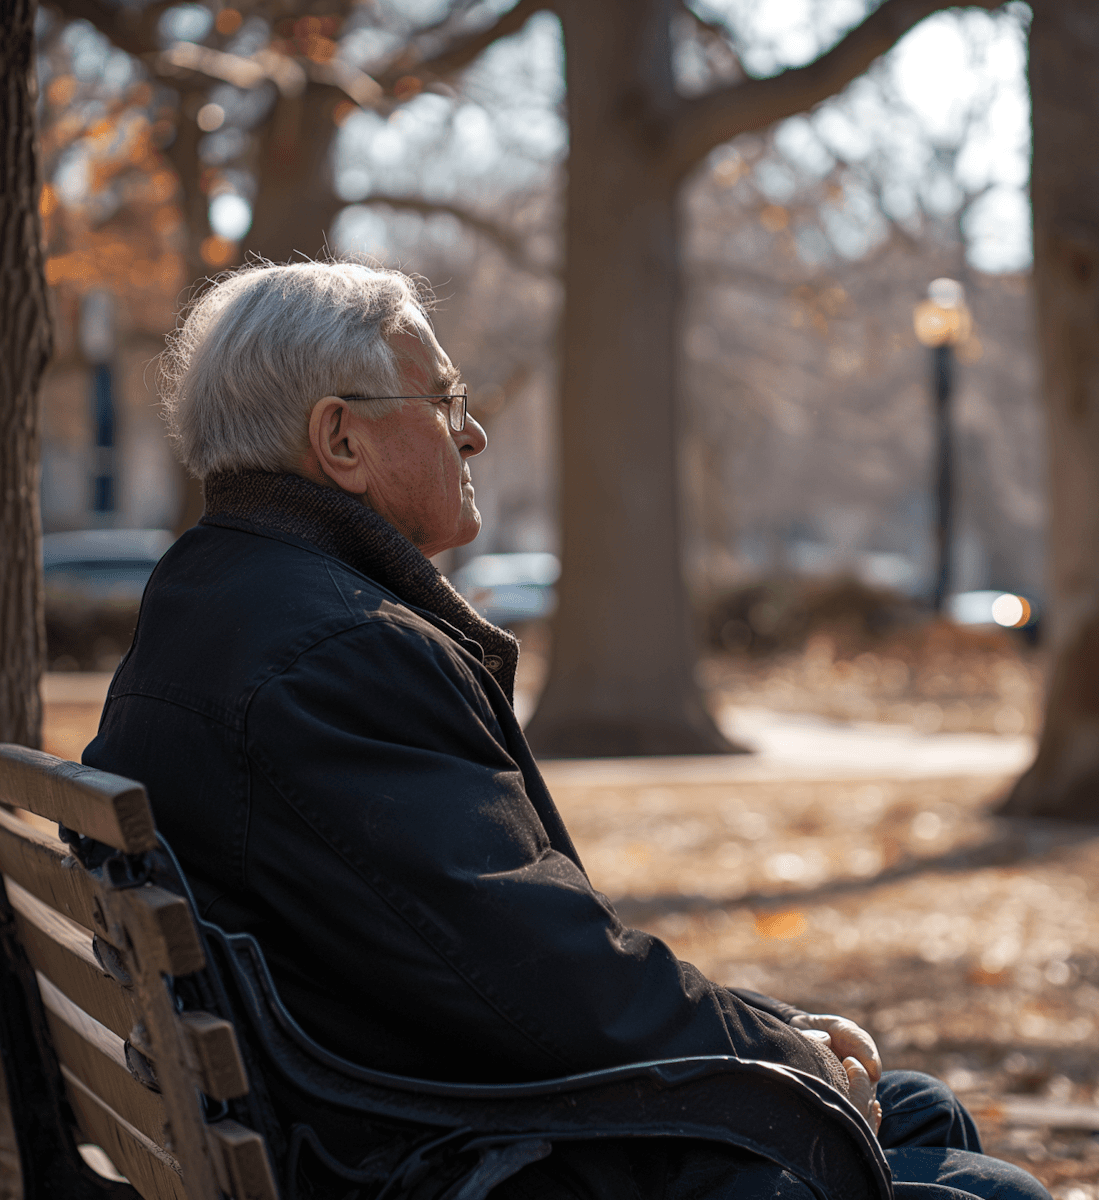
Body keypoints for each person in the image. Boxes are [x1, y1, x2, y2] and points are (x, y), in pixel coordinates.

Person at [83, 261, 1048, 1200]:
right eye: (446, 399)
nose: (476, 436)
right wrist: (781, 1054)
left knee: (910, 1109)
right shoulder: (339, 653)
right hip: (436, 1152)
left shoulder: (212, 600)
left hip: (357, 1112)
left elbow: (493, 950)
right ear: (341, 440)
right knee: (984, 1187)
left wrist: (771, 1031)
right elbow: (544, 981)